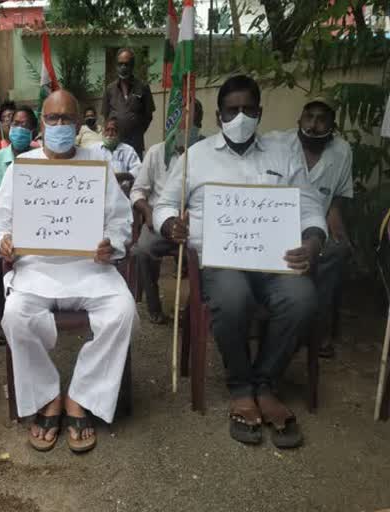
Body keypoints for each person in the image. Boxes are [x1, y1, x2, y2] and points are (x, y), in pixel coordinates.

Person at [154, 75, 327, 449]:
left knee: (303, 299)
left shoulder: (284, 154)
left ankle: (265, 383)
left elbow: (310, 206)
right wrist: (170, 224)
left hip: (275, 259)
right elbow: (164, 203)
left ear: (260, 112)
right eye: (233, 110)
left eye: (249, 109)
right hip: (220, 261)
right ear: (219, 116)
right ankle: (240, 386)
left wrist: (313, 241)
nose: (241, 116)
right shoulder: (194, 157)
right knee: (232, 298)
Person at [0, 90, 137, 454]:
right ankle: (47, 394)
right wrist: (3, 242)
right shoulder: (23, 168)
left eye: (67, 119)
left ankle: (81, 395)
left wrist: (110, 244)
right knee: (16, 315)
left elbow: (121, 222)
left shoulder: (96, 164)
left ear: (79, 125)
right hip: (36, 268)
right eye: (52, 119)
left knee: (123, 312)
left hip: (90, 268)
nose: (59, 126)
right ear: (42, 123)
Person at [271, 98, 353, 358]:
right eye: (309, 117)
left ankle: (320, 329)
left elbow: (341, 191)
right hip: (277, 223)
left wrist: (335, 211)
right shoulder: (277, 143)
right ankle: (267, 319)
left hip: (318, 228)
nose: (314, 125)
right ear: (299, 120)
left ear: (332, 125)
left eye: (321, 119)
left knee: (338, 250)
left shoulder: (342, 151)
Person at [131, 99, 204, 324]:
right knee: (143, 249)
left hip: (196, 224)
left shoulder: (206, 152)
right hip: (161, 223)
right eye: (180, 122)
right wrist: (149, 212)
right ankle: (154, 308)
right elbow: (137, 191)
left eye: (192, 122)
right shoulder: (156, 152)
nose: (185, 128)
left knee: (212, 255)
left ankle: (194, 310)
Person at [0, 105, 39, 345]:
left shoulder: (42, 158)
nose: (20, 129)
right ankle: (3, 316)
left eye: (26, 125)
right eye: (16, 123)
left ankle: (35, 312)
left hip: (35, 223)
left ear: (34, 131)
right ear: (8, 127)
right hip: (4, 224)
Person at [101, 48, 155, 159]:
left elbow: (148, 116)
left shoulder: (143, 87)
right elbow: (106, 116)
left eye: (127, 64)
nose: (123, 68)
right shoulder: (110, 89)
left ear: (132, 66)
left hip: (135, 144)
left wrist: (136, 130)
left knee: (134, 175)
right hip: (115, 144)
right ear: (116, 66)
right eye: (120, 64)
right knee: (114, 174)